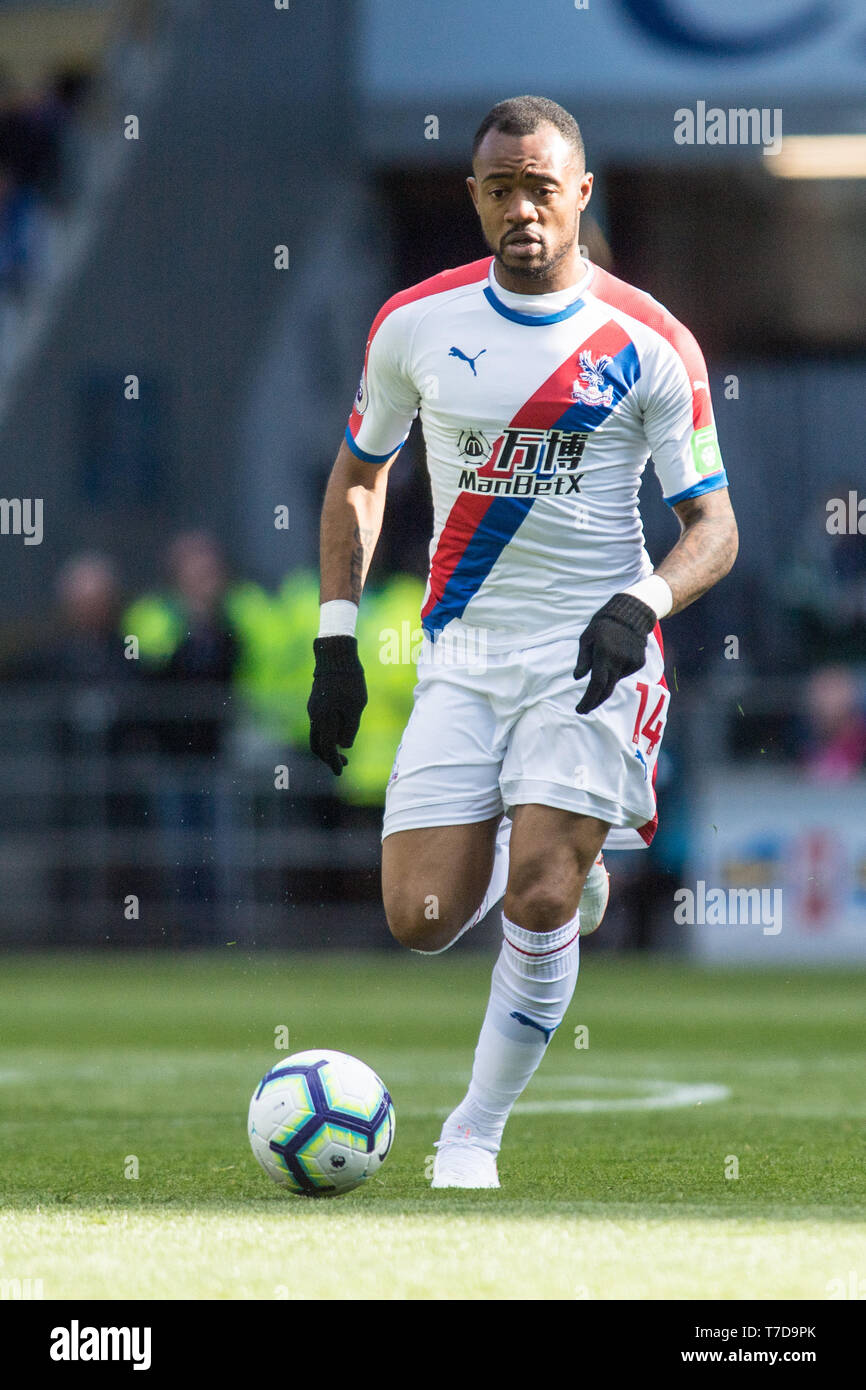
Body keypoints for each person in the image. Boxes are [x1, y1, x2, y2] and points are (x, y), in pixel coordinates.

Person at [307, 96, 738, 1188]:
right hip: (463, 656)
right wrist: (335, 639)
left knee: (538, 895)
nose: (522, 209)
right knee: (422, 918)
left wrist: (639, 604)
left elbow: (712, 528)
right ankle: (562, 852)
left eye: (542, 187)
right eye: (499, 189)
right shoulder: (412, 323)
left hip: (595, 653)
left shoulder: (649, 341)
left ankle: (471, 1135)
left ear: (579, 191)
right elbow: (360, 474)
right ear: (473, 198)